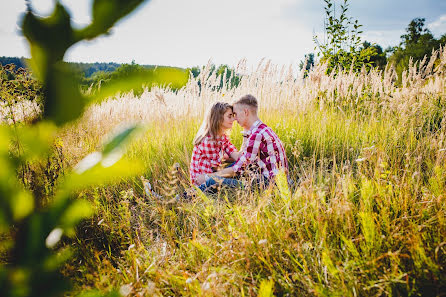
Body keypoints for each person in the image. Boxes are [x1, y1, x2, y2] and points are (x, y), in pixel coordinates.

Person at [142, 102, 241, 199]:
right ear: (218, 118)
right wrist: (236, 162)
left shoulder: (222, 136)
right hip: (202, 181)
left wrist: (241, 157)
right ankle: (164, 199)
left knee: (238, 167)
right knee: (230, 174)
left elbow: (233, 154)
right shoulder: (209, 140)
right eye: (230, 116)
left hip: (211, 176)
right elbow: (217, 168)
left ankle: (175, 198)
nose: (234, 119)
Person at [196, 94, 289, 188]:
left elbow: (238, 169)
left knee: (213, 181)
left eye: (235, 114)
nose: (235, 119)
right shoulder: (262, 129)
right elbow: (242, 159)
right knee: (229, 169)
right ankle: (194, 191)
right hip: (267, 181)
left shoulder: (257, 135)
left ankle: (188, 196)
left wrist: (207, 177)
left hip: (270, 187)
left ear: (245, 112)